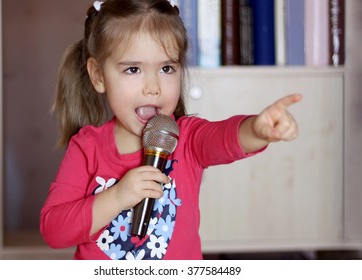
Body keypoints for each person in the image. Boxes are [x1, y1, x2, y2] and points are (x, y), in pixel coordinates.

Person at [40, 0, 302, 260]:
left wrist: (256, 130)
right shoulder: (87, 147)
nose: (152, 87)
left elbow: (223, 137)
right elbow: (55, 231)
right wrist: (118, 196)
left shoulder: (186, 139)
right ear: (98, 76)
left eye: (166, 68)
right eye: (133, 69)